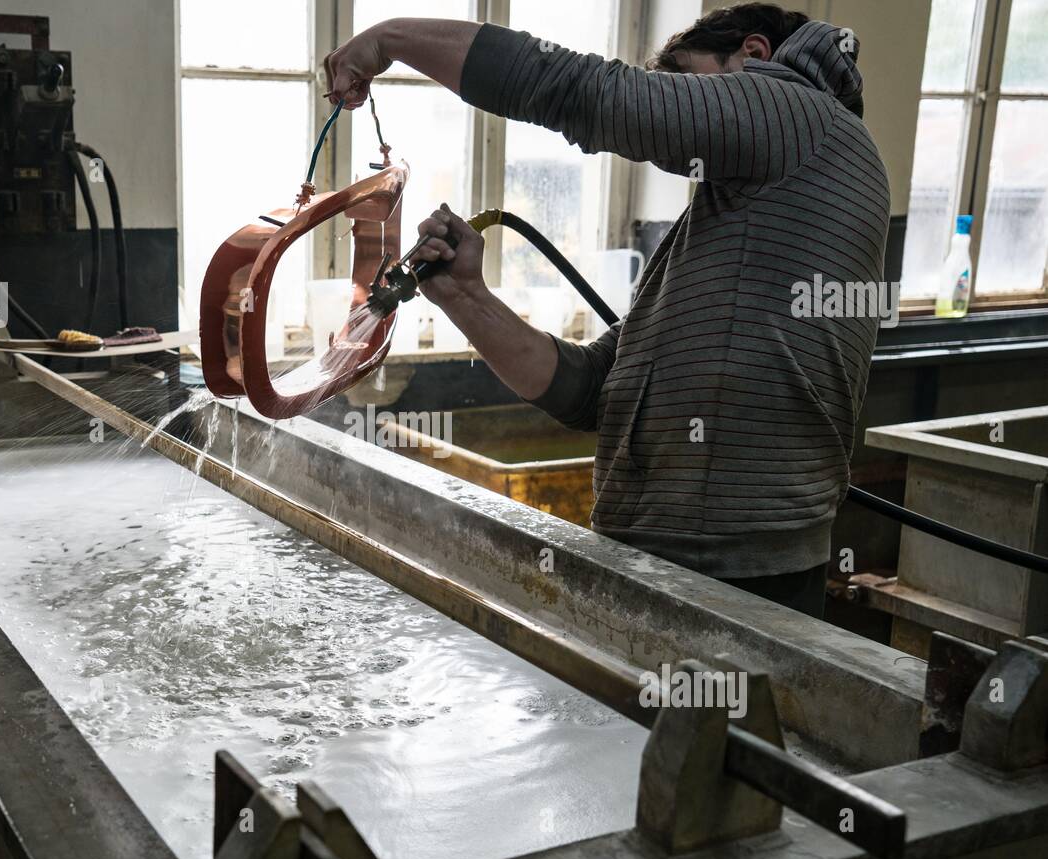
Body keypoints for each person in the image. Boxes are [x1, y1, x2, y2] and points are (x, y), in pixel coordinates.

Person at [324, 4, 891, 618]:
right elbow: (592, 391)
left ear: (753, 56)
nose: (674, 109)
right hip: (676, 556)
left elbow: (592, 95)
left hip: (731, 572)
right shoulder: (742, 221)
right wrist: (466, 297)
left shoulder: (802, 113)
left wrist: (393, 38)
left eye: (683, 84)